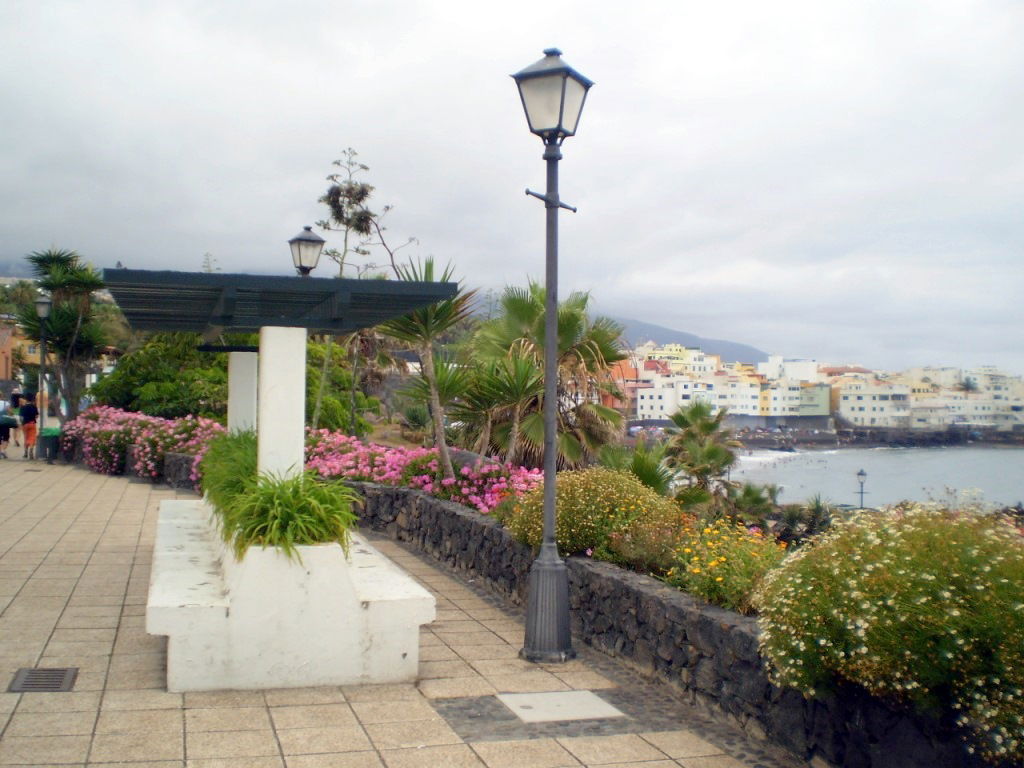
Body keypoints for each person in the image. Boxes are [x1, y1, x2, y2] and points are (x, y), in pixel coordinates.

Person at [19, 394, 39, 460]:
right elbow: (36, 416)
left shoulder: (22, 407)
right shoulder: (34, 406)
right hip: (32, 423)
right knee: (32, 438)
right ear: (32, 400)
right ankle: (31, 450)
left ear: (26, 400)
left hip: (25, 424)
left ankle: (25, 452)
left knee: (26, 438)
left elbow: (21, 417)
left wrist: (22, 424)